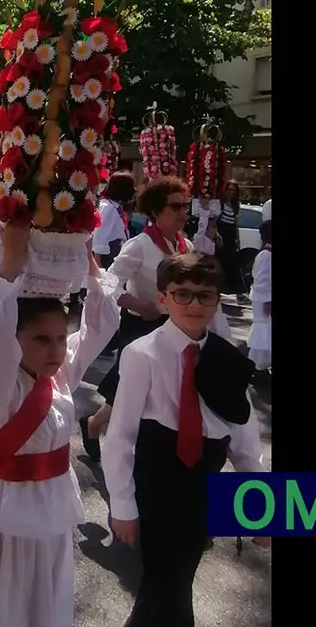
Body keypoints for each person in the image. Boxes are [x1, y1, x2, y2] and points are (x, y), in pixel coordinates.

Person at [0, 221, 121, 627]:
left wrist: (88, 260)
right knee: (6, 596)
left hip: (52, 506)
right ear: (15, 340)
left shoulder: (61, 374)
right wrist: (10, 267)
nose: (55, 349)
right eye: (40, 339)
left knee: (43, 596)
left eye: (59, 338)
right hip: (8, 510)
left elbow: (102, 325)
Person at [102, 252, 267, 627]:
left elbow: (244, 437)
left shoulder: (226, 358)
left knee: (173, 581)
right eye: (182, 294)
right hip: (157, 477)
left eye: (205, 295)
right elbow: (122, 435)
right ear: (162, 298)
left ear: (217, 299)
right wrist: (123, 506)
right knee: (168, 583)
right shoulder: (142, 354)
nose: (194, 304)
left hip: (203, 481)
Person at [79, 176, 232, 463]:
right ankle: (101, 430)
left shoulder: (184, 245)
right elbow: (109, 283)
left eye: (185, 206)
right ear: (156, 211)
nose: (183, 212)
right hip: (141, 327)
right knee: (130, 389)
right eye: (175, 206)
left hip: (175, 328)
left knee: (163, 389)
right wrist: (140, 304)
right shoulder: (139, 245)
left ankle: (142, 443)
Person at [92, 172, 137, 269]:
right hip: (107, 259)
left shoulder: (114, 206)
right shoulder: (107, 207)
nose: (134, 190)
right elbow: (98, 238)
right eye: (131, 187)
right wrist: (98, 268)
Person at [247, 221, 272, 373]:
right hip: (265, 300)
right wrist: (268, 301)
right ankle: (257, 367)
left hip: (266, 299)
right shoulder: (266, 255)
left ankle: (260, 366)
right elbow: (263, 282)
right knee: (263, 333)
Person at [215, 182, 245, 300]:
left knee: (234, 264)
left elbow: (235, 223)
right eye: (229, 190)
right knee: (219, 264)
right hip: (221, 236)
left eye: (233, 191)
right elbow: (215, 220)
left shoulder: (235, 206)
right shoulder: (219, 204)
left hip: (230, 237)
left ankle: (240, 293)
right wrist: (216, 234)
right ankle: (217, 290)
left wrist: (237, 239)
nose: (231, 193)